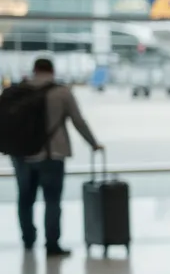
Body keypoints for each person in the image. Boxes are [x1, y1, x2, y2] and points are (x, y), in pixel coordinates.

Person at [7, 58, 101, 256]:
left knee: (25, 199)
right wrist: (93, 143)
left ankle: (28, 240)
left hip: (22, 155)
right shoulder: (61, 92)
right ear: (52, 70)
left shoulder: (18, 92)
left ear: (34, 70)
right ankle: (52, 244)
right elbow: (78, 121)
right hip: (52, 154)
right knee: (52, 200)